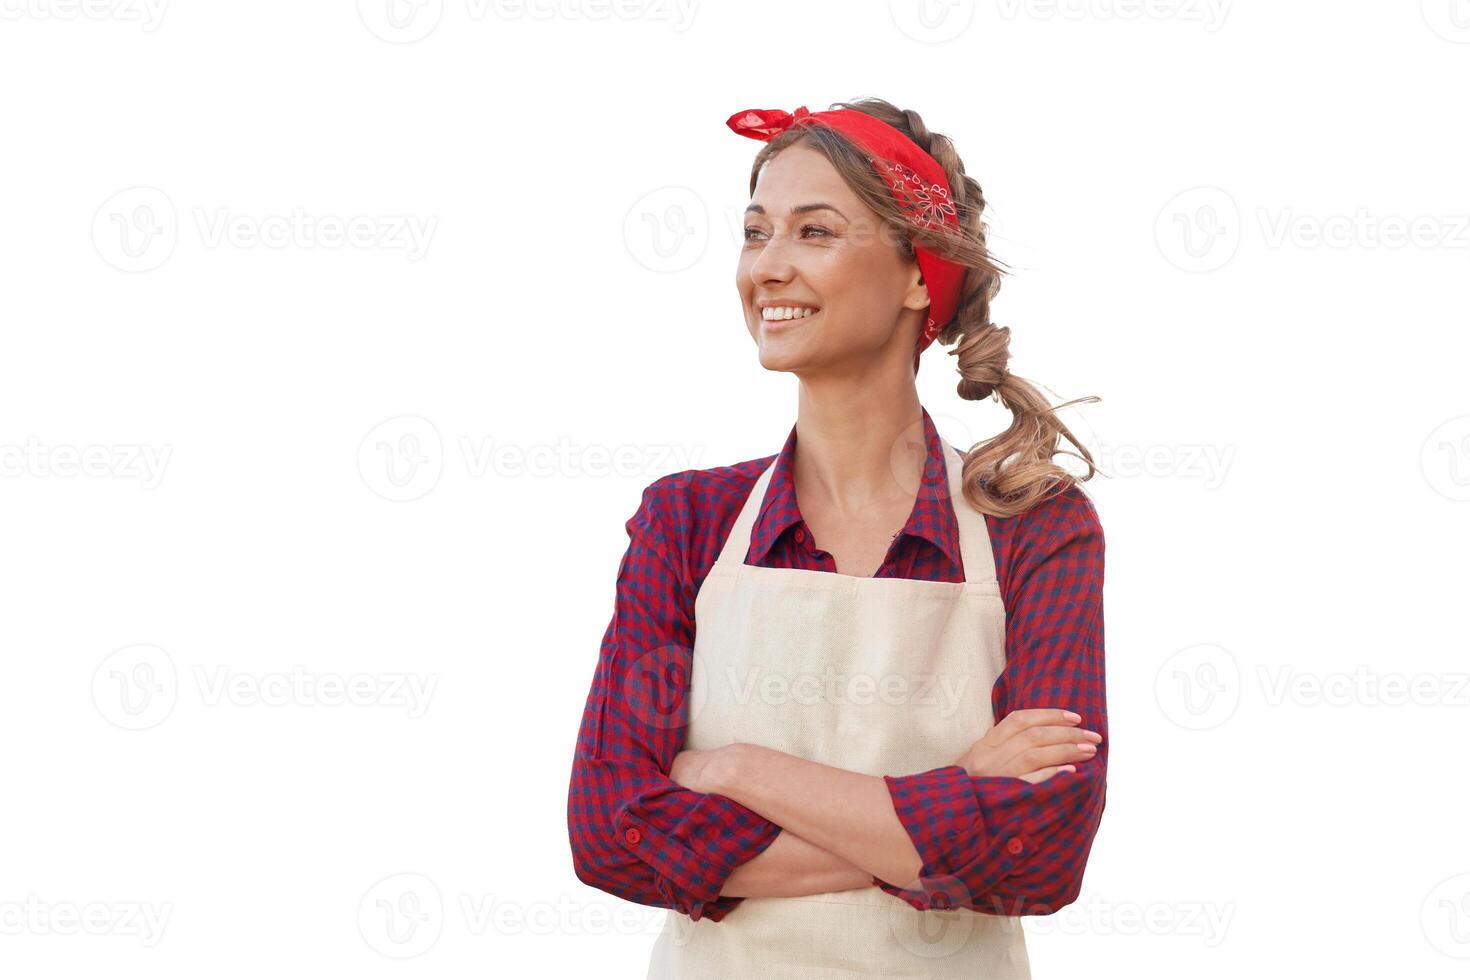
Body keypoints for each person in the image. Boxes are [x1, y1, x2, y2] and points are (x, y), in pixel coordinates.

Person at [567, 97, 1106, 979]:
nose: (766, 269)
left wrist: (735, 769)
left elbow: (1042, 854)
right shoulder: (685, 522)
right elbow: (610, 832)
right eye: (754, 232)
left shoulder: (1034, 526)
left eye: (814, 233)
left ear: (915, 278)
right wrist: (954, 796)